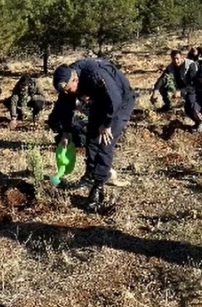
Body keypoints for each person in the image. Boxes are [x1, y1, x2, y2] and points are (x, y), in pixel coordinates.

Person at [48, 58, 136, 213]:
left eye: (69, 89)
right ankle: (90, 176)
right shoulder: (68, 79)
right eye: (65, 91)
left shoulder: (95, 74)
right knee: (92, 138)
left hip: (120, 101)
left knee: (104, 142)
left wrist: (107, 124)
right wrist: (66, 132)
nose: (68, 92)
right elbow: (64, 106)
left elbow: (114, 100)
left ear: (75, 79)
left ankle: (98, 187)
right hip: (99, 101)